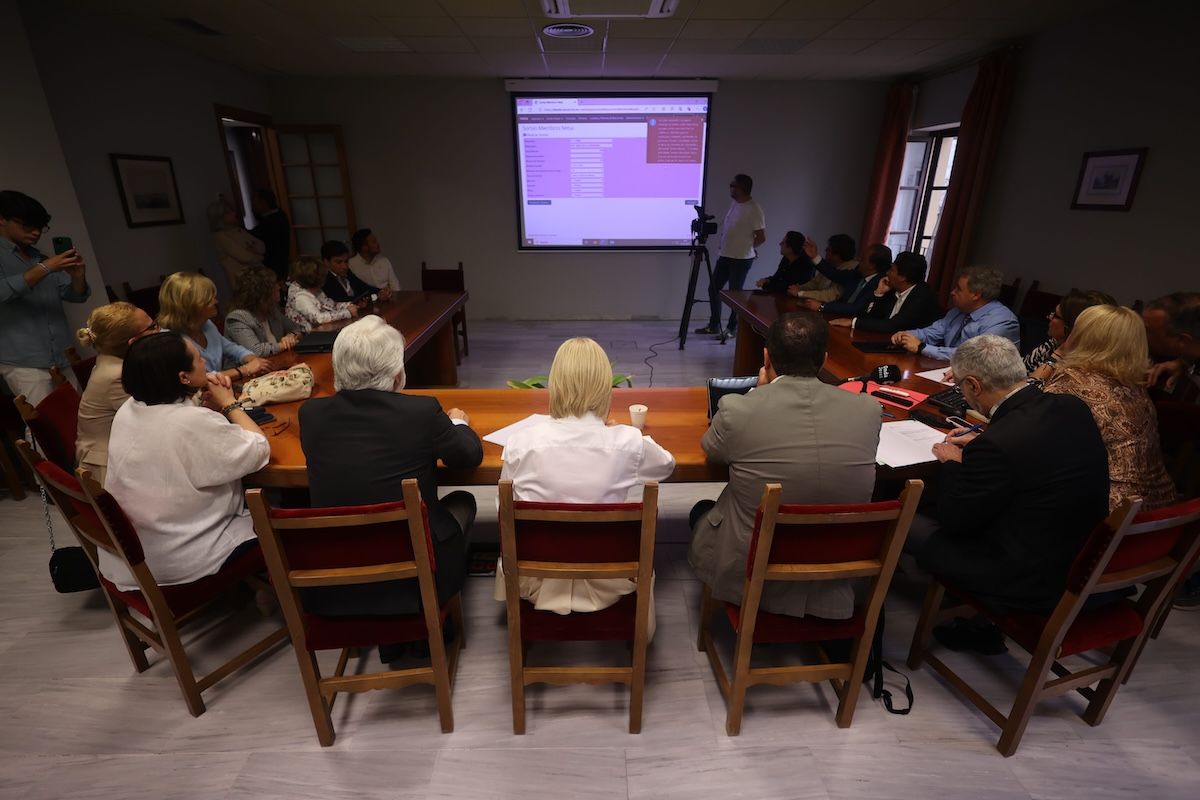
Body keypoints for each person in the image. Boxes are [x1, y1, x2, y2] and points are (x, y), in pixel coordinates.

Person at [914, 336, 1109, 651]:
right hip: (1078, 558)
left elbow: (955, 521)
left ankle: (971, 615)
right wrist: (981, 450)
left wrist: (953, 464)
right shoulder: (1072, 407)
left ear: (974, 386)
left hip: (1023, 577)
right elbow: (1034, 456)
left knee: (907, 520)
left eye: (961, 387)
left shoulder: (998, 444)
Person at [688, 312, 881, 618]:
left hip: (753, 565)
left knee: (702, 510)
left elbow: (712, 451)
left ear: (766, 357)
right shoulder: (869, 409)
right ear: (824, 359)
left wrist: (757, 394)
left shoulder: (739, 409)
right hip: (836, 564)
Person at [298, 315, 483, 623]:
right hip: (418, 574)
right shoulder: (420, 412)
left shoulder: (311, 415)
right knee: (464, 501)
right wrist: (458, 423)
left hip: (338, 573)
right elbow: (468, 455)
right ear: (397, 373)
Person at [494, 337, 675, 628]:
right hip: (612, 580)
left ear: (556, 383)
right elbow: (667, 465)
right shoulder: (628, 442)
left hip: (537, 579)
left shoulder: (520, 443)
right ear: (605, 386)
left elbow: (503, 511)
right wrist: (628, 435)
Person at [99, 331, 270, 591]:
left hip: (139, 550)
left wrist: (201, 400)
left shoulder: (129, 409)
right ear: (183, 377)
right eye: (199, 359)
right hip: (184, 555)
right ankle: (272, 588)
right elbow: (259, 449)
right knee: (279, 510)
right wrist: (229, 404)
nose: (205, 362)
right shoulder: (189, 423)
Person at [1043, 305, 1176, 511]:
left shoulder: (1072, 380)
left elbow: (1032, 440)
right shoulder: (1134, 387)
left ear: (1083, 337)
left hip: (1107, 514)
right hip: (1157, 511)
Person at [0, 190, 90, 405]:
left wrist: (78, 277)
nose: (36, 233)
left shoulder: (39, 257)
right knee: (45, 426)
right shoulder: (43, 263)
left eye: (40, 227)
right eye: (27, 225)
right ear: (2, 220)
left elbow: (74, 296)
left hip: (62, 355)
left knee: (79, 416)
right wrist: (45, 268)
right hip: (24, 362)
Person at [74, 302, 159, 485]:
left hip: (126, 450)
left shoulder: (116, 360)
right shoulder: (117, 375)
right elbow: (158, 418)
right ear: (134, 342)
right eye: (152, 327)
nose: (159, 331)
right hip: (110, 470)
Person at [158, 272, 271, 382]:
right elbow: (199, 379)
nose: (216, 301)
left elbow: (230, 348)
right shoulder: (171, 342)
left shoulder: (206, 324)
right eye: (209, 298)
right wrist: (245, 370)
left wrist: (252, 359)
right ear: (192, 305)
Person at [891, 266, 1019, 361]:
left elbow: (972, 356)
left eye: (958, 289)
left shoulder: (1002, 321)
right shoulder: (958, 311)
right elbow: (932, 332)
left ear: (976, 294)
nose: (952, 292)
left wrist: (922, 348)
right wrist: (906, 335)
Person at [695, 174, 765, 336]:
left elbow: (762, 237)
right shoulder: (735, 203)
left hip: (740, 259)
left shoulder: (754, 209)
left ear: (741, 188)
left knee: (735, 296)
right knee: (714, 289)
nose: (730, 188)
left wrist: (750, 248)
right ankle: (714, 325)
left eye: (733, 185)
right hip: (725, 256)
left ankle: (732, 328)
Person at [831, 251, 941, 334]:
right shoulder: (892, 288)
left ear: (903, 277)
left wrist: (853, 322)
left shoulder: (923, 296)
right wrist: (878, 294)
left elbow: (892, 325)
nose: (887, 273)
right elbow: (867, 316)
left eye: (892, 270)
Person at [1024, 289, 1116, 376]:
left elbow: (1028, 390)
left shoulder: (1081, 369)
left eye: (1056, 316)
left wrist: (1056, 357)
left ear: (1074, 326)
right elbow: (1021, 372)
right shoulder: (1053, 343)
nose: (1049, 317)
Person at [224, 267, 304, 357]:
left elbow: (299, 328)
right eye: (274, 285)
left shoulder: (271, 310)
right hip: (251, 369)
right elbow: (257, 351)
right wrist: (283, 345)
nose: (279, 287)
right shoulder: (237, 318)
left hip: (277, 362)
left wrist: (291, 336)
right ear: (261, 293)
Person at [798, 242, 891, 317]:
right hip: (838, 315)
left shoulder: (881, 284)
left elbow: (856, 308)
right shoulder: (858, 273)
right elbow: (835, 274)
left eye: (863, 258)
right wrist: (814, 256)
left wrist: (822, 307)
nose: (859, 259)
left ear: (872, 265)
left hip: (857, 324)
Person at [1143, 292, 1200, 393]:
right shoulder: (1191, 351)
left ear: (1182, 341)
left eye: (1149, 331)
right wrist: (1182, 363)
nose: (1140, 335)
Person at [285, 256, 358, 332]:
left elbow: (331, 305)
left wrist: (348, 305)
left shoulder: (314, 289)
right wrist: (347, 312)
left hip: (321, 332)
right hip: (307, 338)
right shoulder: (300, 297)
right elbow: (318, 319)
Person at [209, 197, 265, 287]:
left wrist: (254, 251)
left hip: (257, 275)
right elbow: (245, 257)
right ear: (220, 217)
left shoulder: (238, 230)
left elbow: (262, 246)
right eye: (229, 212)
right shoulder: (221, 236)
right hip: (243, 281)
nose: (234, 214)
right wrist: (260, 256)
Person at [787, 233, 858, 304]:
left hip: (831, 310)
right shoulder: (829, 265)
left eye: (828, 249)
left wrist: (800, 293)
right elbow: (814, 284)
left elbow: (830, 295)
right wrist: (799, 288)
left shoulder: (851, 269)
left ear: (838, 255)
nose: (825, 251)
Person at [250, 189, 291, 282]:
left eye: (255, 203)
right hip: (278, 263)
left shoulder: (273, 221)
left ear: (263, 203)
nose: (253, 206)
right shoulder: (278, 215)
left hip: (275, 264)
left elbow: (257, 235)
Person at [349, 228, 401, 293]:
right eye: (374, 242)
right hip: (366, 301)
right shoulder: (351, 264)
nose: (378, 244)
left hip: (388, 299)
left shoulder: (384, 261)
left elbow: (395, 286)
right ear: (364, 247)